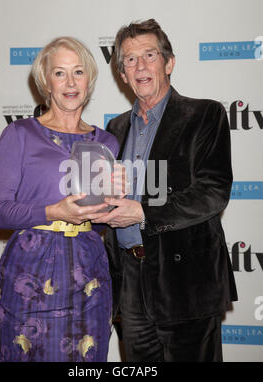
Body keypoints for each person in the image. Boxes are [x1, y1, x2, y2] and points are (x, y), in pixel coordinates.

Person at [92, 19, 238, 362]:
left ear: (168, 63)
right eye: (129, 59)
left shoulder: (204, 114)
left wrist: (143, 212)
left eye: (149, 55)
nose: (140, 66)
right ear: (122, 75)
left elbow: (213, 191)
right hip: (130, 283)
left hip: (186, 281)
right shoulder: (114, 129)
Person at [0, 37, 120, 362]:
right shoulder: (19, 134)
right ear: (46, 82)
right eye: (60, 73)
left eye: (78, 72)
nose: (70, 82)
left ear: (89, 79)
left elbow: (103, 217)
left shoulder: (107, 142)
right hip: (29, 271)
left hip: (90, 271)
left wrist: (116, 203)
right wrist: (51, 211)